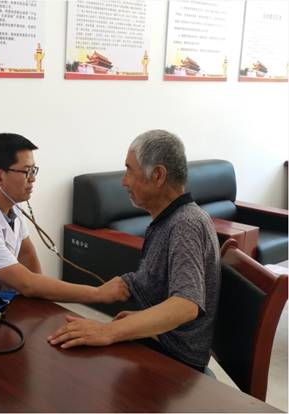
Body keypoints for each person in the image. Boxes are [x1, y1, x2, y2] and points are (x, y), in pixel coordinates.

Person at [48, 130, 221, 372]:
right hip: (161, 341)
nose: (124, 181)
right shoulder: (167, 220)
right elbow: (151, 278)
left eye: (129, 170)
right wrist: (115, 290)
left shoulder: (186, 224)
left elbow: (186, 305)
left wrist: (109, 331)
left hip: (176, 359)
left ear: (158, 175)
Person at [0, 132, 129, 306]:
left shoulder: (10, 202)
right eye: (26, 171)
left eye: (34, 170)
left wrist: (41, 300)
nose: (33, 178)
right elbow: (27, 284)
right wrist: (97, 293)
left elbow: (26, 252)